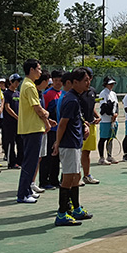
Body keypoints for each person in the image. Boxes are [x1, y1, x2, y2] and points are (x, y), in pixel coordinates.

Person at [52, 67, 94, 226]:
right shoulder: (70, 100)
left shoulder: (75, 98)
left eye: (88, 79)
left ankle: (76, 208)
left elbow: (76, 119)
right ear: (75, 82)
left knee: (76, 175)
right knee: (68, 177)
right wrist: (57, 143)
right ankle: (62, 213)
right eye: (85, 80)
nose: (88, 82)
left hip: (75, 143)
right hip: (69, 145)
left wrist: (84, 126)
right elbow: (62, 124)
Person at [16, 58, 52, 204]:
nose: (40, 71)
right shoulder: (29, 86)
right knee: (30, 162)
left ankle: (28, 190)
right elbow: (37, 108)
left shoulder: (28, 84)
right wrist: (46, 115)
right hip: (32, 128)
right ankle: (22, 194)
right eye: (38, 68)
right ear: (31, 70)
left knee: (32, 161)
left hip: (32, 127)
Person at [39, 71, 62, 191]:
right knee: (47, 156)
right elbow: (43, 112)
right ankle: (44, 181)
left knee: (56, 156)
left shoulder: (63, 94)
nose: (58, 83)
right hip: (50, 130)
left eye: (60, 80)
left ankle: (54, 179)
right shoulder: (47, 94)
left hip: (59, 130)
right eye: (56, 80)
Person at [79, 67, 101, 185]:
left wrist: (97, 116)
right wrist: (83, 123)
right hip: (80, 126)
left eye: (89, 77)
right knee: (77, 152)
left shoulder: (92, 91)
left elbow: (91, 106)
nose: (88, 80)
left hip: (91, 125)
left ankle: (86, 175)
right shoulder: (77, 92)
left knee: (87, 152)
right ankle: (75, 176)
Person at [1, 73, 22, 169]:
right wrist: (16, 117)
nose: (17, 83)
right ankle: (11, 162)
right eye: (16, 81)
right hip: (9, 123)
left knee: (20, 142)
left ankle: (20, 161)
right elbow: (7, 107)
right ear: (11, 82)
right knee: (10, 143)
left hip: (19, 123)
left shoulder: (18, 93)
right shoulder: (6, 94)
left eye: (18, 81)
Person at [98, 76, 119, 164]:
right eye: (109, 84)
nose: (111, 85)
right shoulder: (103, 93)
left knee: (111, 138)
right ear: (105, 84)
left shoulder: (113, 94)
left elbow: (116, 105)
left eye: (112, 84)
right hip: (105, 120)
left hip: (113, 121)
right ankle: (101, 158)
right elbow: (104, 107)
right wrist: (111, 114)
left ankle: (109, 156)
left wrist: (116, 114)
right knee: (103, 138)